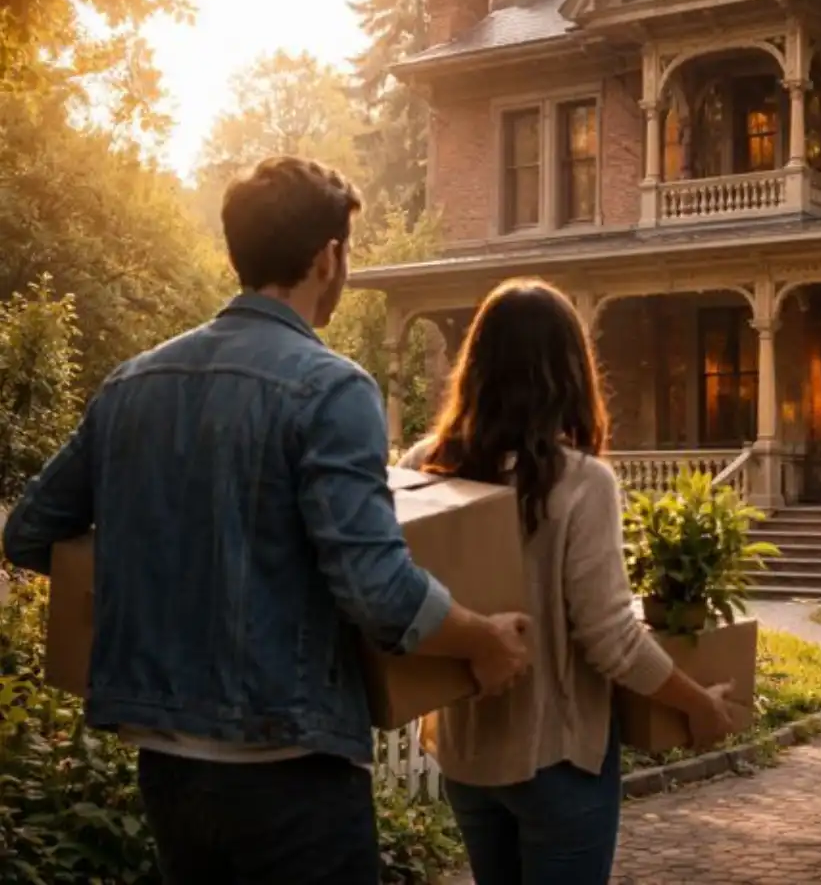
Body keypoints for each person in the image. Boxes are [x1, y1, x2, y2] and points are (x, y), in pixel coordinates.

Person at [2, 156, 532, 885]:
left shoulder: (132, 383)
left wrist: (156, 564)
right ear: (328, 258)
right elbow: (376, 589)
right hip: (290, 769)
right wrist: (485, 637)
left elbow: (29, 534)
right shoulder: (331, 387)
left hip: (168, 768)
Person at [397, 277, 740, 885]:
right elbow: (610, 639)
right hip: (557, 760)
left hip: (467, 756)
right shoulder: (580, 482)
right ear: (569, 371)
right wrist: (700, 704)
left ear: (476, 363)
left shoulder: (423, 466)